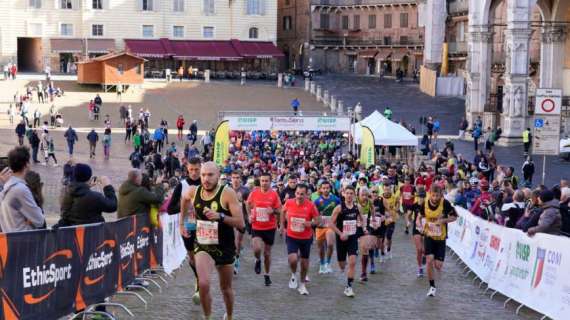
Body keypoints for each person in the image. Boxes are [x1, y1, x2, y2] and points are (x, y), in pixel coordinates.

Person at [179, 162, 245, 320]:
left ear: (218, 176)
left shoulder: (227, 193)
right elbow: (184, 199)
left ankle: (229, 315)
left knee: (226, 288)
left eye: (210, 175)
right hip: (203, 244)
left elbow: (241, 223)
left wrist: (220, 216)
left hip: (225, 246)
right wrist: (181, 223)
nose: (206, 179)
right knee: (203, 284)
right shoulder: (194, 191)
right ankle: (207, 317)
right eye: (203, 175)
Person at [168, 157, 202, 304]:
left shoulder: (206, 183)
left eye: (197, 169)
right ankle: (198, 278)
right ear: (187, 169)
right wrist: (186, 208)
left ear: (201, 168)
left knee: (203, 255)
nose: (194, 173)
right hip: (188, 225)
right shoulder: (182, 185)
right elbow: (170, 209)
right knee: (192, 257)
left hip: (204, 226)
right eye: (191, 169)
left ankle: (201, 284)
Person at [280, 184, 319, 296]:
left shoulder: (311, 206)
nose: (299, 196)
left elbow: (318, 220)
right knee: (292, 259)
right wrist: (282, 225)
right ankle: (293, 274)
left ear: (306, 194)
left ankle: (302, 285)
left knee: (304, 264)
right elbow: (282, 211)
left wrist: (310, 223)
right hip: (292, 236)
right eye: (297, 193)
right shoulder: (289, 202)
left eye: (302, 194)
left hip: (305, 238)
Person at [419, 184, 457, 297]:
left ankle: (433, 260)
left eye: (437, 196)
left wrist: (443, 220)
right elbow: (420, 216)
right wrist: (418, 222)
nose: (435, 198)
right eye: (433, 195)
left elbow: (455, 217)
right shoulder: (424, 204)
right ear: (430, 194)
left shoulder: (445, 203)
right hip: (429, 236)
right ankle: (432, 286)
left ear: (441, 195)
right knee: (429, 259)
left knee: (438, 265)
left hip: (441, 238)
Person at [246, 172, 281, 285]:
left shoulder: (274, 194)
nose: (264, 183)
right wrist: (249, 216)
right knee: (256, 248)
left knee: (267, 253)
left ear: (270, 182)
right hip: (257, 226)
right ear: (260, 181)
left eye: (266, 181)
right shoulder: (254, 193)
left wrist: (273, 211)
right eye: (262, 181)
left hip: (270, 227)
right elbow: (248, 204)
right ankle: (257, 260)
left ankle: (267, 274)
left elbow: (280, 210)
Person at [0, 147, 45, 232]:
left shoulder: (6, 187)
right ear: (26, 165)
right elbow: (39, 220)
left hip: (10, 240)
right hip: (23, 241)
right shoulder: (20, 189)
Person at [329, 186, 361, 297]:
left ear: (354, 195)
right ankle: (345, 269)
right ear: (343, 194)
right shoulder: (339, 208)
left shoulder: (357, 208)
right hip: (341, 238)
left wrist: (362, 226)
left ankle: (349, 287)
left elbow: (362, 219)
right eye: (347, 193)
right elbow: (331, 224)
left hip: (352, 238)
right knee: (342, 265)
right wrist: (340, 234)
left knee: (352, 262)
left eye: (351, 193)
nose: (349, 195)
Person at [314, 180, 340, 274]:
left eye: (327, 188)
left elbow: (340, 211)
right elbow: (313, 214)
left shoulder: (336, 199)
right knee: (320, 248)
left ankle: (328, 263)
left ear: (330, 188)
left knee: (330, 244)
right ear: (320, 189)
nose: (326, 190)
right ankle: (321, 264)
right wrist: (317, 220)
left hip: (331, 226)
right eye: (324, 188)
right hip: (320, 227)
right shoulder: (317, 201)